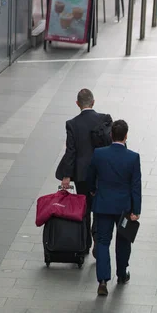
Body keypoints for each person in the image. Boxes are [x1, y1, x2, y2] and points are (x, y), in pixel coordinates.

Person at [87, 120, 141, 296]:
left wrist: (93, 191)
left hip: (103, 204)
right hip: (124, 207)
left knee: (103, 241)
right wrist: (136, 209)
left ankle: (103, 280)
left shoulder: (99, 154)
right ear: (126, 136)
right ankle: (121, 273)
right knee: (123, 240)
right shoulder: (133, 157)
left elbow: (90, 177)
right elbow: (135, 186)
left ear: (111, 135)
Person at [56, 89, 112, 256]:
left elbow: (70, 151)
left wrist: (66, 176)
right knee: (99, 207)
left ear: (77, 104)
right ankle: (97, 237)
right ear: (93, 102)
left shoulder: (72, 124)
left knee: (85, 207)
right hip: (101, 172)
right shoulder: (104, 119)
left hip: (82, 175)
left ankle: (85, 242)